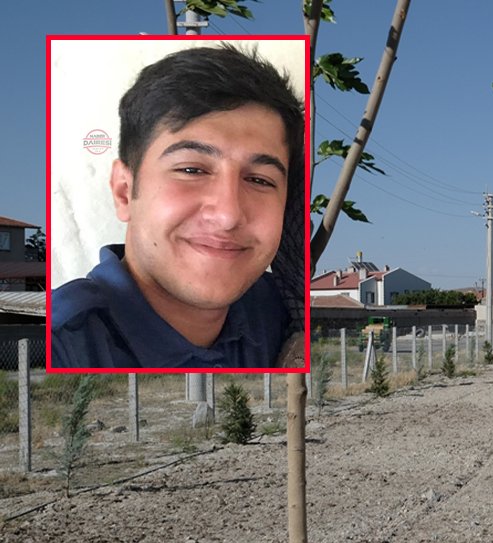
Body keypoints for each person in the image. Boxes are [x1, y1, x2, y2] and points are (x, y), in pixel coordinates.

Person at [50, 44, 305, 369]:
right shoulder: (61, 346)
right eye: (191, 170)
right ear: (124, 192)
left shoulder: (282, 310)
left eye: (259, 180)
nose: (228, 215)